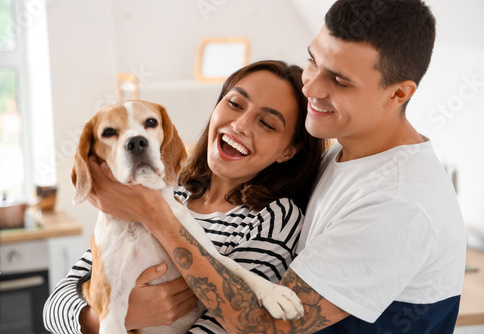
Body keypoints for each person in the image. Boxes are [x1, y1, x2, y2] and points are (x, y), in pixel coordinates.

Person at [81, 0, 467, 333]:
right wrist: (104, 315)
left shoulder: (398, 203)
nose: (311, 86)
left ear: (398, 93)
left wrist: (153, 215)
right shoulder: (340, 159)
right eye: (314, 60)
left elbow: (265, 327)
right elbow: (75, 288)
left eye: (339, 80)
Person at [43, 60, 327, 333]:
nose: (240, 125)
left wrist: (153, 216)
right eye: (235, 104)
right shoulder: (164, 193)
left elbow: (241, 322)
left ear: (289, 151)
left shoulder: (274, 218)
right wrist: (116, 316)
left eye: (267, 123)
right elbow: (56, 307)